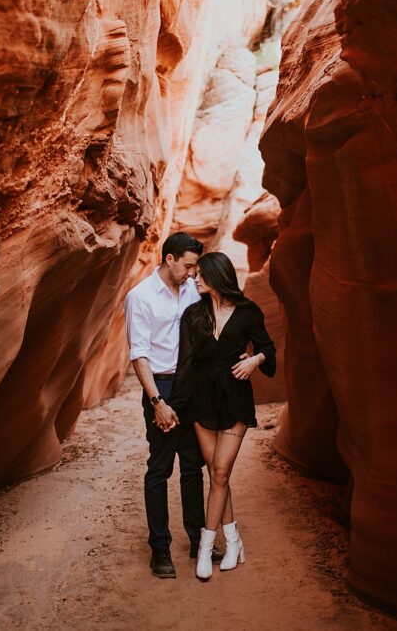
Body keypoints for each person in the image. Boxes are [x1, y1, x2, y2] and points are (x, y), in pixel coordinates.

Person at [167, 251, 277, 580]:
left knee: (219, 471)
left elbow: (269, 352)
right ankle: (233, 542)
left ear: (217, 276)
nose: (195, 279)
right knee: (218, 475)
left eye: (201, 274)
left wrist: (254, 360)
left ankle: (205, 547)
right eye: (195, 273)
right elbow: (184, 364)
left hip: (235, 398)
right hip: (201, 401)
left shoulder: (248, 313)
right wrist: (174, 405)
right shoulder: (192, 315)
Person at [123, 232, 223, 578]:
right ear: (169, 259)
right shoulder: (141, 297)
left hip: (192, 385)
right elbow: (139, 354)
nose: (194, 273)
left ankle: (198, 540)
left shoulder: (194, 291)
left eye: (196, 267)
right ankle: (160, 549)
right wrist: (157, 403)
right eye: (189, 265)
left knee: (193, 466)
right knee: (160, 468)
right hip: (162, 385)